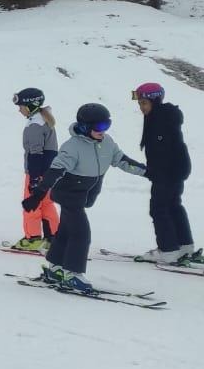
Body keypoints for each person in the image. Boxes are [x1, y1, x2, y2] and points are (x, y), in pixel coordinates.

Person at [24, 104, 149, 293]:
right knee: (81, 233)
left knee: (66, 231)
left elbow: (122, 160)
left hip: (85, 192)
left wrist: (149, 172)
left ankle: (56, 268)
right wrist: (39, 194)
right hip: (68, 192)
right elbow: (55, 170)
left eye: (107, 125)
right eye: (99, 127)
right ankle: (73, 274)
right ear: (84, 126)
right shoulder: (72, 147)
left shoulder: (107, 142)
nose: (103, 131)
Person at [132, 82, 199, 264]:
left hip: (168, 172)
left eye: (144, 103)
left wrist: (156, 172)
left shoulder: (160, 119)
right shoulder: (162, 115)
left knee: (159, 209)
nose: (141, 107)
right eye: (139, 103)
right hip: (174, 171)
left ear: (154, 101)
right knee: (173, 205)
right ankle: (184, 245)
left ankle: (168, 249)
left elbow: (164, 150)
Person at [11, 88, 60, 251]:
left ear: (30, 106)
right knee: (46, 204)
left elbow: (35, 153)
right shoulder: (44, 120)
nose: (19, 110)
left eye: (21, 106)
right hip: (48, 172)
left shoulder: (35, 125)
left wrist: (33, 178)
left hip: (37, 172)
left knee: (31, 204)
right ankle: (54, 238)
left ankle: (32, 239)